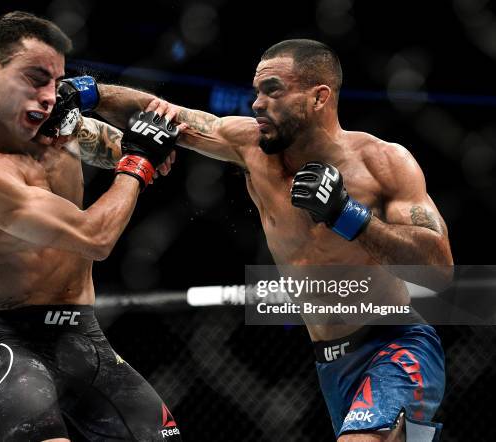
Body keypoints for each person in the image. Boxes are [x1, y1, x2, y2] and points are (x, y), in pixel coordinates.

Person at [93, 39, 453, 441]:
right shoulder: (250, 147)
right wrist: (87, 92)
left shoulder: (383, 162)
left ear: (319, 97)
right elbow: (164, 114)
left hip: (395, 346)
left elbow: (438, 270)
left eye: (273, 90)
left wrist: (349, 216)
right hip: (329, 363)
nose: (257, 104)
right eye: (256, 91)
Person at [0, 11, 181, 442]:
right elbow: (96, 237)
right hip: (16, 339)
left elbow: (142, 137)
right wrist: (137, 161)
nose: (50, 96)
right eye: (35, 79)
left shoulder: (57, 128)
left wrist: (97, 98)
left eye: (57, 82)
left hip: (83, 333)